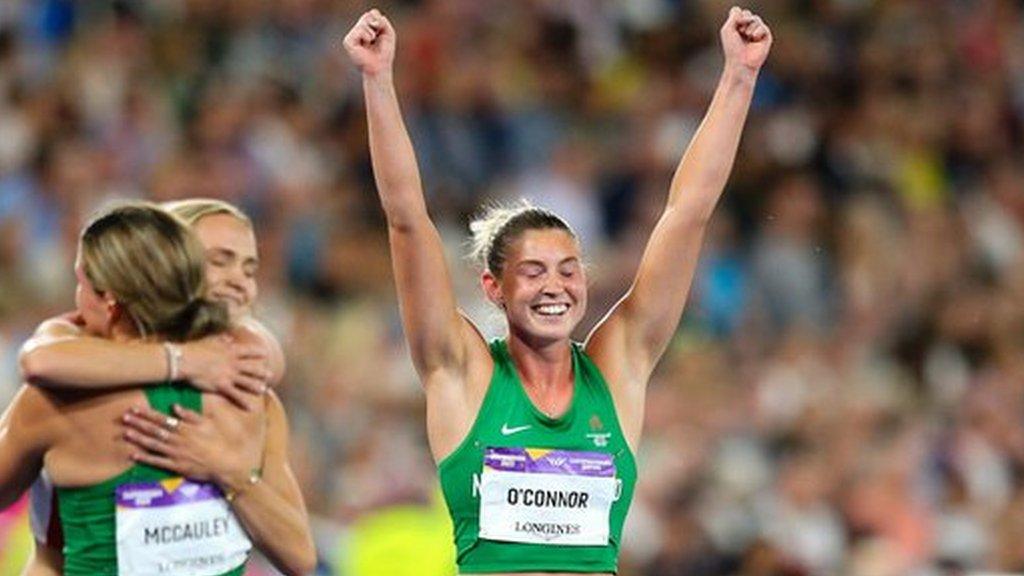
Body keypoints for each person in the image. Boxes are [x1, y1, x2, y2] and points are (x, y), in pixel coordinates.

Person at [343, 6, 771, 575]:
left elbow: (686, 214)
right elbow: (406, 220)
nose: (556, 286)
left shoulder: (619, 366)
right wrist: (378, 81)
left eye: (569, 269)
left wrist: (738, 77)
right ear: (493, 287)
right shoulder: (461, 371)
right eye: (534, 271)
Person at [3, 202, 315, 575]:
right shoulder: (249, 399)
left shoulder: (55, 402)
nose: (239, 282)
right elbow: (302, 561)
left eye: (250, 268)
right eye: (219, 261)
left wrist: (227, 472)